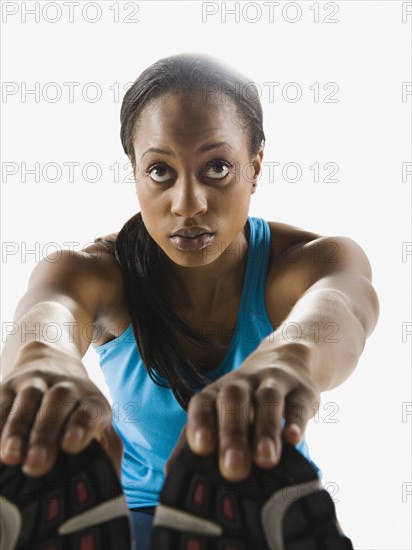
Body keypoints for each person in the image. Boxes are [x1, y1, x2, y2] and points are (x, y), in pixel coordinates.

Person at [0, 53, 379, 550]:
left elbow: (340, 309)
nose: (188, 203)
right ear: (134, 172)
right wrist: (40, 358)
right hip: (140, 515)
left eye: (217, 167)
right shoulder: (97, 271)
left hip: (259, 497)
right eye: (160, 171)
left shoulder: (308, 261)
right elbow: (48, 310)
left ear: (255, 166)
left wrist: (292, 358)